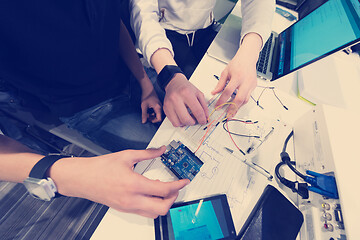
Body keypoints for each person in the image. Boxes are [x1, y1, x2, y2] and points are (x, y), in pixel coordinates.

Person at [0, 0, 188, 218]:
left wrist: (144, 82)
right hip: (84, 105)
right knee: (166, 167)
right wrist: (70, 175)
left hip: (129, 73)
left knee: (193, 128)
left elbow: (112, 23)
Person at [130, 0, 275, 126]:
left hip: (205, 29)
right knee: (183, 114)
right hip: (162, 41)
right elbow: (144, 15)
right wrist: (170, 76)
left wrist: (249, 53)